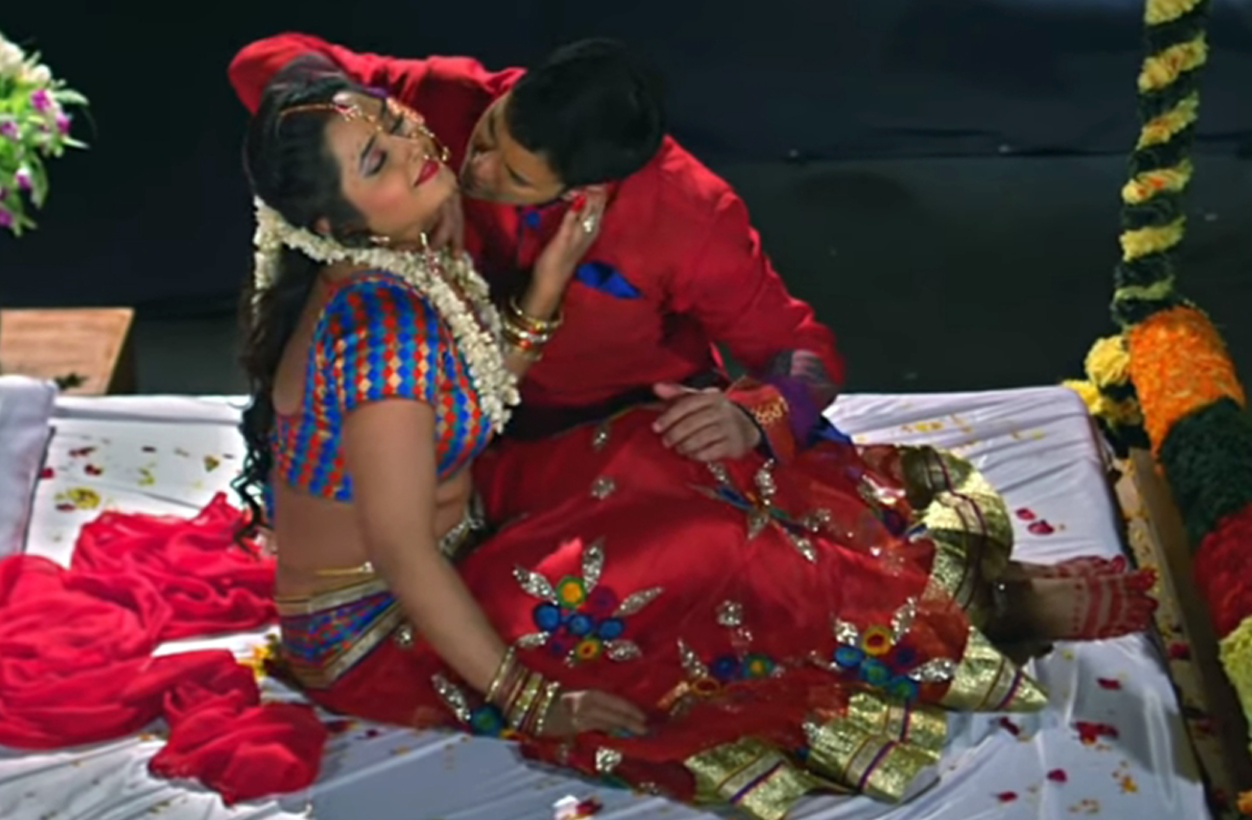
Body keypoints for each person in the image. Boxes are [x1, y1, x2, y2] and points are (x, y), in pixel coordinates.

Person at [232, 60, 1157, 817]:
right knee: (703, 548)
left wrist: (553, 283)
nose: (449, 160)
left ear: (582, 187)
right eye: (382, 157)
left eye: (397, 128)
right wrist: (530, 698)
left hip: (469, 504)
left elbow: (793, 351)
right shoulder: (385, 328)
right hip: (384, 628)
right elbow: (401, 554)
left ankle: (934, 583)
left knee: (666, 447)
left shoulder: (657, 217)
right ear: (332, 225)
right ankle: (981, 612)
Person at [229, 36, 839, 455]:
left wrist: (750, 415)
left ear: (585, 190)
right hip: (455, 428)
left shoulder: (690, 216)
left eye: (515, 178)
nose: (476, 169)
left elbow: (802, 351)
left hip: (618, 435)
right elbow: (260, 62)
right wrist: (380, 139)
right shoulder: (450, 101)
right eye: (490, 132)